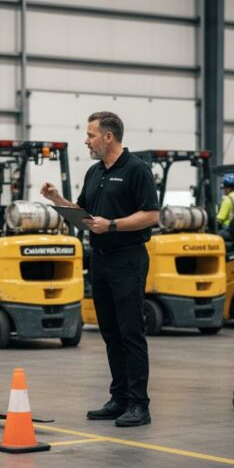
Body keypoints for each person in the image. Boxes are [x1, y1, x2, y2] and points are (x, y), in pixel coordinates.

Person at [41, 111, 159, 427]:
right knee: (109, 332)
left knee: (130, 332)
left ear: (108, 137)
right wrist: (58, 199)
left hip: (128, 259)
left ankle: (139, 404)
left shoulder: (137, 170)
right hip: (100, 259)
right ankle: (119, 398)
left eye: (91, 134)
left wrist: (114, 225)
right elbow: (84, 214)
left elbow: (151, 215)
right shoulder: (95, 172)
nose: (87, 140)